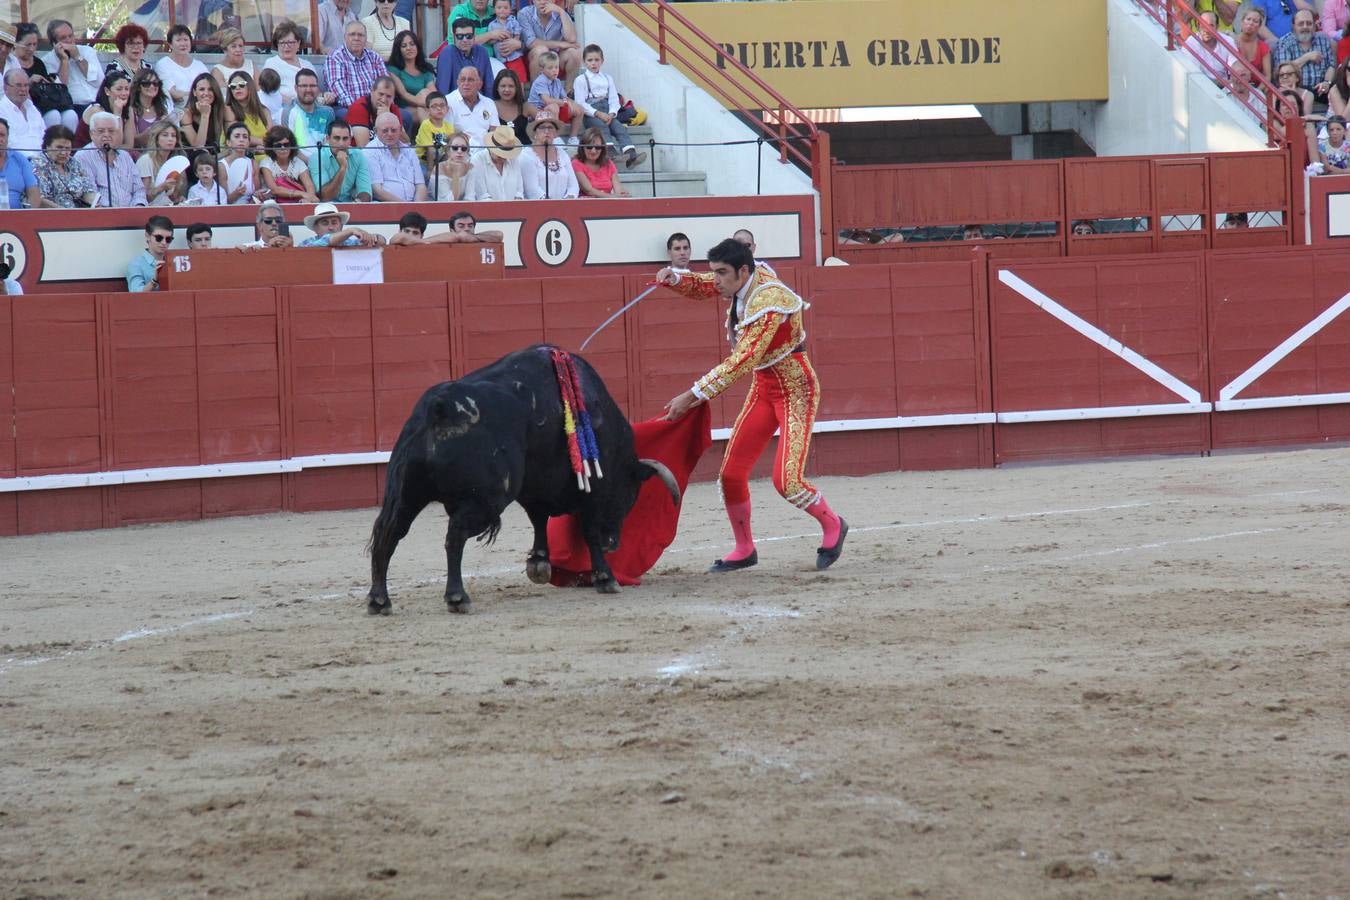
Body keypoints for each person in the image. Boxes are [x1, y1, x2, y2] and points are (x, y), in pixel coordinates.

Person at [656, 237, 848, 573]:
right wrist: (675, 278)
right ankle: (745, 548)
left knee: (787, 481)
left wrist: (691, 395)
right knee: (730, 475)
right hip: (764, 388)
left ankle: (834, 525)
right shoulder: (741, 282)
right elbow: (705, 285)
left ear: (743, 271)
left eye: (722, 273)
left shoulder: (769, 300)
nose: (715, 279)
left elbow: (742, 361)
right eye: (714, 271)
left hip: (795, 389)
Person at [572, 43, 646, 169]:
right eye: (590, 60)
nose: (593, 63)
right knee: (601, 127)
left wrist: (612, 113)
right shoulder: (581, 80)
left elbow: (613, 99)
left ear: (602, 61)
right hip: (591, 112)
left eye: (597, 60)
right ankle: (610, 153)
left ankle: (631, 155)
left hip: (607, 111)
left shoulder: (607, 78)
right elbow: (580, 103)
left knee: (619, 128)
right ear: (584, 62)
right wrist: (598, 113)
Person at [13, 23, 77, 133]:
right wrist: (29, 82)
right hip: (28, 104)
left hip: (44, 101)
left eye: (35, 44)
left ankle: (68, 148)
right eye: (28, 45)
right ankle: (50, 148)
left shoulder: (38, 63)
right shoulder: (11, 63)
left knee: (70, 115)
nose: (32, 49)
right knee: (53, 115)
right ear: (16, 44)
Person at [73, 111, 146, 206]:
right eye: (101, 131)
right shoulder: (82, 156)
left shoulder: (125, 156)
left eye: (111, 131)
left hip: (131, 214)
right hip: (101, 215)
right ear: (91, 134)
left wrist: (138, 205)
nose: (106, 135)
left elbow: (139, 190)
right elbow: (90, 193)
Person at [326, 21, 389, 114]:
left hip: (376, 107)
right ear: (345, 37)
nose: (356, 38)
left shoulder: (374, 57)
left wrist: (382, 107)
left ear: (366, 39)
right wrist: (364, 110)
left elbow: (386, 86)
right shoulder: (335, 58)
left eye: (360, 35)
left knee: (405, 116)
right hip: (348, 107)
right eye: (352, 34)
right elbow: (341, 93)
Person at [1273, 9, 1335, 102]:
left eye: (1309, 23)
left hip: (1321, 89)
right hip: (1295, 90)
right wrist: (1307, 57)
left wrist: (1326, 82)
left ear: (1314, 26)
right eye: (1301, 24)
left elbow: (1331, 66)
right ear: (1293, 26)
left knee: (1337, 91)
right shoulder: (1284, 43)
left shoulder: (1323, 40)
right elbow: (1283, 71)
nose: (1305, 27)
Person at [43, 19, 103, 114]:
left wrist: (77, 57)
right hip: (74, 107)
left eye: (70, 36)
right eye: (63, 38)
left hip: (99, 104)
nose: (69, 40)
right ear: (54, 43)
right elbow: (60, 91)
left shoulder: (87, 51)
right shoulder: (47, 61)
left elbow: (99, 82)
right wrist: (64, 60)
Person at [365, 110, 427, 201]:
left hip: (412, 207)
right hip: (384, 207)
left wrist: (416, 207)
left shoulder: (409, 151)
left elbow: (421, 185)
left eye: (394, 130)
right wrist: (405, 207)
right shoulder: (370, 151)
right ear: (375, 131)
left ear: (400, 129)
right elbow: (377, 191)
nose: (390, 134)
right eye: (385, 131)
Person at [33, 123, 96, 207]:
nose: (63, 153)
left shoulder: (74, 163)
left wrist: (94, 203)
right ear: (48, 146)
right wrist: (65, 213)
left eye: (67, 148)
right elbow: (39, 199)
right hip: (52, 214)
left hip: (79, 213)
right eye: (59, 147)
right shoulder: (39, 165)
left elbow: (87, 189)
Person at [310, 117, 372, 201]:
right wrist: (343, 168)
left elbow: (365, 192)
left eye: (345, 138)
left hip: (352, 205)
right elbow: (325, 196)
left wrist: (357, 204)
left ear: (350, 140)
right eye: (337, 138)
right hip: (327, 208)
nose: (341, 144)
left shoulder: (359, 155)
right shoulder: (317, 157)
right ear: (328, 139)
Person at [518, 0, 581, 82]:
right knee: (541, 50)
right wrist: (561, 44)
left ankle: (569, 91)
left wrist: (561, 12)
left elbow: (572, 39)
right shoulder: (524, 13)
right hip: (533, 58)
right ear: (533, 1)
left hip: (556, 58)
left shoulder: (559, 13)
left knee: (574, 53)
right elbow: (531, 43)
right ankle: (537, 92)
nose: (542, 2)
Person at [527, 50, 582, 144]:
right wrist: (565, 102)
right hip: (537, 113)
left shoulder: (557, 81)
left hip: (553, 111)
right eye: (550, 68)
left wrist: (571, 104)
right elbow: (547, 101)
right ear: (541, 70)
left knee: (579, 109)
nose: (554, 70)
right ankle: (555, 138)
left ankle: (573, 138)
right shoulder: (540, 81)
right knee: (553, 106)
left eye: (556, 67)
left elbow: (565, 98)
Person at [520, 111, 577, 198]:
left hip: (565, 208)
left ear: (555, 133)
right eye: (542, 127)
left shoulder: (562, 154)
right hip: (537, 208)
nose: (547, 131)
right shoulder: (526, 155)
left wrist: (568, 200)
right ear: (535, 132)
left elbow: (573, 185)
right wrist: (551, 206)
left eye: (550, 127)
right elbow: (532, 189)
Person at [437, 18, 497, 100]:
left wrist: (490, 105)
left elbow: (489, 86)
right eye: (460, 36)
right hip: (455, 104)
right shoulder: (448, 53)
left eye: (469, 36)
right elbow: (443, 88)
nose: (464, 40)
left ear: (474, 35)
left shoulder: (482, 51)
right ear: (454, 36)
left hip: (480, 103)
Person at [155, 24, 208, 118]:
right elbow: (174, 94)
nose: (183, 44)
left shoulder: (200, 65)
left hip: (201, 108)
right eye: (178, 40)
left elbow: (209, 88)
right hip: (178, 112)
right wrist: (198, 94)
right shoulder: (163, 64)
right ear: (170, 44)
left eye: (186, 40)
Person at [463, 122, 524, 200]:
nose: (503, 157)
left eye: (506, 154)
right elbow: (482, 195)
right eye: (500, 153)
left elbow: (519, 192)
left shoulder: (514, 160)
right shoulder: (477, 160)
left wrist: (514, 207)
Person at [259, 124, 320, 202]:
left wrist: (308, 199)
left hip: (295, 203)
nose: (283, 148)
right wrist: (302, 194)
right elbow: (275, 190)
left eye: (286, 144)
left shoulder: (298, 162)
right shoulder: (266, 163)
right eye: (278, 145)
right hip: (273, 204)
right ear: (271, 147)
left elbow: (309, 186)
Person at [283, 68, 335, 158]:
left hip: (324, 161)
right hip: (300, 163)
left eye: (312, 86)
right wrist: (311, 164)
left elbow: (330, 143)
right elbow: (289, 147)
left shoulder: (328, 112)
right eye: (304, 86)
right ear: (296, 88)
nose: (308, 89)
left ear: (318, 88)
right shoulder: (288, 112)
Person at [388, 30, 436, 124]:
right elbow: (404, 94)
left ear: (417, 46)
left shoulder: (425, 69)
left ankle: (429, 136)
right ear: (399, 50)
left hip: (424, 107)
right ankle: (433, 136)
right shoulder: (394, 69)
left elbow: (433, 92)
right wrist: (428, 104)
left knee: (425, 93)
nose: (409, 48)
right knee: (423, 106)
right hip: (405, 108)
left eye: (412, 44)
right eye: (404, 46)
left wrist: (434, 104)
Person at [78, 71, 135, 149]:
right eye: (119, 89)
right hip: (88, 153)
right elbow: (115, 144)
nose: (124, 93)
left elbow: (129, 145)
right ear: (107, 91)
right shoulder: (96, 111)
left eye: (126, 89)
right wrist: (117, 113)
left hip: (112, 153)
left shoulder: (129, 109)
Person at [138, 120, 187, 205]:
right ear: (156, 139)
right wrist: (161, 187)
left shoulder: (175, 162)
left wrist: (178, 199)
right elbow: (143, 197)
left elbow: (173, 197)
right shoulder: (145, 160)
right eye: (165, 135)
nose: (170, 139)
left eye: (173, 136)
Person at [345, 74, 402, 146]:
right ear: (372, 91)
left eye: (388, 96)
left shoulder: (393, 109)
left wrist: (389, 117)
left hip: (386, 153)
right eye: (381, 94)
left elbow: (406, 142)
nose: (384, 100)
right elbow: (364, 147)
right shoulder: (358, 108)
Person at [446, 66, 496, 146]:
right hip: (460, 151)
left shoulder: (489, 103)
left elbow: (494, 131)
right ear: (457, 82)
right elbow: (449, 135)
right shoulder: (448, 102)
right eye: (462, 80)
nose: (466, 83)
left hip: (486, 152)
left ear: (480, 84)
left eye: (470, 80)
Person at [572, 127, 627, 197]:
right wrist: (611, 196)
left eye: (597, 147)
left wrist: (622, 194)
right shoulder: (576, 163)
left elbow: (618, 189)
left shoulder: (608, 163)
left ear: (602, 148)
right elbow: (589, 190)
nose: (593, 151)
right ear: (582, 147)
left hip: (608, 203)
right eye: (589, 147)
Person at [224, 71, 272, 152]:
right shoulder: (228, 110)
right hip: (237, 156)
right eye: (233, 86)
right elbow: (236, 138)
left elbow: (271, 138)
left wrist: (264, 147)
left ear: (250, 86)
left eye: (242, 84)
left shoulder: (264, 111)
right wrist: (262, 143)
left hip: (264, 154)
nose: (237, 88)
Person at [0, 69, 44, 157]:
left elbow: (44, 134)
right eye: (18, 85)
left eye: (26, 85)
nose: (23, 89)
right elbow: (9, 144)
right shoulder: (2, 110)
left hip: (43, 159)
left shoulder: (32, 108)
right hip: (18, 160)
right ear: (5, 88)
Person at [300, 201, 385, 246]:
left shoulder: (351, 243)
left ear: (341, 226)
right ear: (316, 228)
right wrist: (351, 230)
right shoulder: (306, 244)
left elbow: (382, 241)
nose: (331, 227)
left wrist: (373, 237)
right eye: (325, 223)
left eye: (334, 222)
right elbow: (328, 240)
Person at [1230, 5, 1273, 92]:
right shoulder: (1231, 41)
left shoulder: (1263, 47)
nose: (1250, 23)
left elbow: (1267, 76)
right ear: (1242, 22)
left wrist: (1256, 93)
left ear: (1259, 26)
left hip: (1256, 90)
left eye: (1255, 21)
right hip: (1234, 86)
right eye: (1248, 19)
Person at [264, 21, 308, 106]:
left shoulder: (307, 65)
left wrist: (325, 96)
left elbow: (316, 91)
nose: (286, 46)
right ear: (277, 44)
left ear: (298, 43)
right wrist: (294, 104)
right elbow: (269, 93)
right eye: (282, 43)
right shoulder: (271, 64)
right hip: (283, 109)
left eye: (290, 42)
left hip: (308, 107)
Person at [127, 214, 174, 292]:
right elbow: (135, 293)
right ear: (147, 236)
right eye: (159, 238)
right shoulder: (136, 264)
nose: (164, 242)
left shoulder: (175, 261)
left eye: (168, 239)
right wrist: (154, 281)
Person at [0, 117, 40, 207]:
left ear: (7, 138)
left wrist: (29, 216)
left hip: (16, 218)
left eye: (2, 135)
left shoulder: (19, 159)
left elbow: (33, 193)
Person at [179, 71, 225, 150]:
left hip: (216, 157)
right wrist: (205, 115)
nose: (206, 93)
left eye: (210, 89)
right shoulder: (186, 114)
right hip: (194, 158)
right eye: (202, 89)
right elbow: (199, 147)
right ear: (194, 92)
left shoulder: (222, 110)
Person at [218, 121, 261, 204]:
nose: (241, 140)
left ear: (248, 143)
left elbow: (257, 194)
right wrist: (236, 193)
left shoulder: (253, 163)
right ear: (228, 142)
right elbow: (223, 202)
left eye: (245, 137)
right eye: (237, 136)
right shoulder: (222, 166)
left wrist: (260, 195)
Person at [492, 67, 537, 145]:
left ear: (517, 88)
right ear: (497, 88)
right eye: (503, 86)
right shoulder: (490, 106)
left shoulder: (526, 106)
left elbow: (547, 121)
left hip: (524, 152)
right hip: (500, 153)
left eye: (511, 86)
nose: (507, 90)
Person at [486, 0, 527, 82]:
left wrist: (513, 41)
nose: (502, 10)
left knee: (519, 79)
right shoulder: (492, 25)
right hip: (500, 59)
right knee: (503, 80)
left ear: (510, 9)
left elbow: (518, 34)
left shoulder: (513, 21)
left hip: (514, 57)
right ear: (494, 9)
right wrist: (497, 37)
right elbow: (489, 41)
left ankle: (521, 94)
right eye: (499, 7)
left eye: (505, 8)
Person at [129, 69, 172, 147]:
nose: (152, 86)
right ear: (138, 87)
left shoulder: (162, 108)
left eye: (155, 83)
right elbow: (132, 141)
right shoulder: (131, 110)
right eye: (146, 83)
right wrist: (150, 130)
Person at [212, 28, 257, 94]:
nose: (238, 50)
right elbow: (223, 96)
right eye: (233, 46)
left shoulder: (251, 64)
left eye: (240, 46)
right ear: (225, 50)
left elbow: (260, 91)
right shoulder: (217, 71)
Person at [429, 130, 471, 199]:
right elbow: (448, 202)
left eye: (463, 148)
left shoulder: (470, 168)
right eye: (455, 148)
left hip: (464, 208)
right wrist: (455, 173)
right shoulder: (439, 169)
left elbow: (470, 197)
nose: (459, 151)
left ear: (467, 151)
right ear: (447, 151)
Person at [415, 91, 454, 161]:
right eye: (434, 106)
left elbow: (449, 148)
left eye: (442, 105)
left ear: (447, 109)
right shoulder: (426, 125)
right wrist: (430, 170)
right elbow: (429, 150)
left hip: (439, 159)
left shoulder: (449, 126)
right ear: (427, 110)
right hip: (422, 162)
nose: (439, 108)